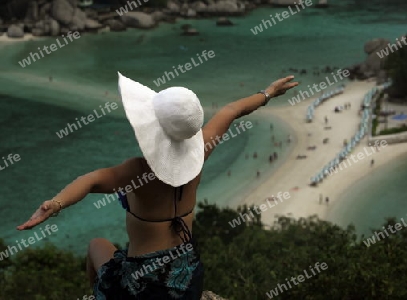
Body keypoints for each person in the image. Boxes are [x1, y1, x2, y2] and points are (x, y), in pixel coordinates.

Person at [17, 73, 298, 299]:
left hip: (143, 285)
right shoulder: (201, 149)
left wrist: (54, 204)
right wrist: (268, 93)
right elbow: (232, 110)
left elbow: (90, 181)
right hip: (187, 278)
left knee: (96, 245)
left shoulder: (138, 170)